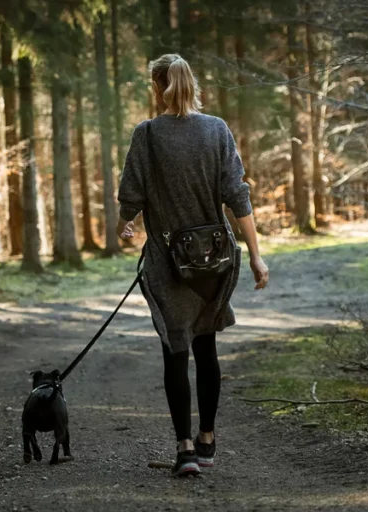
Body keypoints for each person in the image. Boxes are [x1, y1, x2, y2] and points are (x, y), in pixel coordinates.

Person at [116, 53, 269, 477]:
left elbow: (130, 199)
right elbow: (237, 196)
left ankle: (183, 448)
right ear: (191, 84)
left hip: (168, 262)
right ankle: (207, 439)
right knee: (206, 347)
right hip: (216, 259)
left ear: (156, 86)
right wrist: (255, 253)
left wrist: (124, 229)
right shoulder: (217, 130)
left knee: (174, 350)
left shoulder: (146, 135)